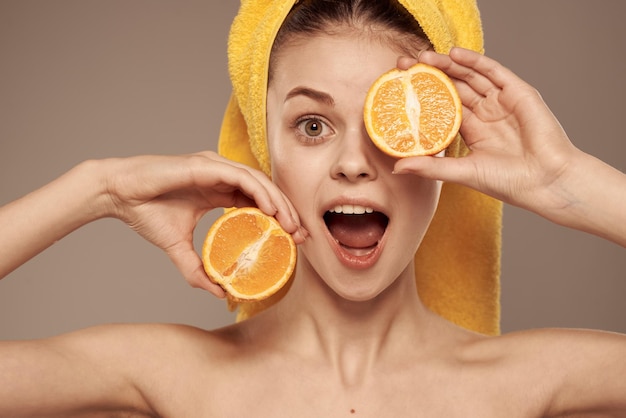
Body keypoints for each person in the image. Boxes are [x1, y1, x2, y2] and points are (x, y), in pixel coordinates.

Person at [1, 0, 625, 416]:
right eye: (312, 125)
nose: (354, 163)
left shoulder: (529, 380)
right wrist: (98, 188)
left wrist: (573, 184)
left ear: (446, 143)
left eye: (388, 123)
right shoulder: (170, 374)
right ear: (260, 145)